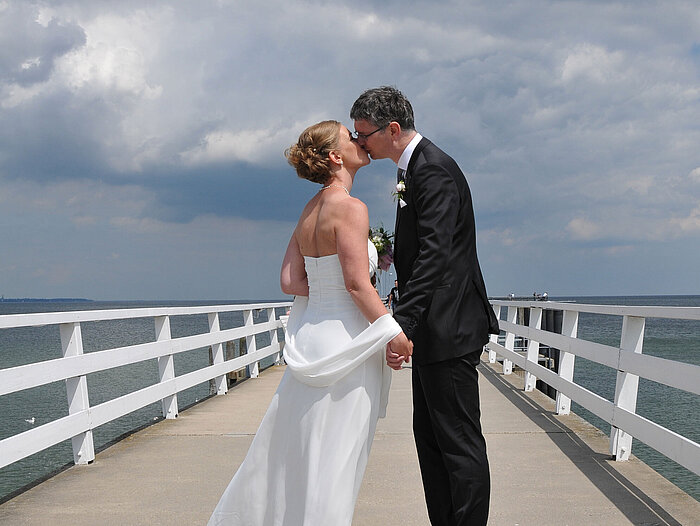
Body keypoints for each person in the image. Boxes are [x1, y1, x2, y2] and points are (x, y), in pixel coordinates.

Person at [208, 120, 412, 525]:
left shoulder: (309, 210)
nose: (359, 140)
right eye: (350, 137)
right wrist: (395, 332)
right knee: (336, 462)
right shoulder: (352, 208)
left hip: (313, 341)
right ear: (336, 156)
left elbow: (289, 281)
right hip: (347, 346)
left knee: (300, 455)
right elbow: (356, 284)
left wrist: (324, 292)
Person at [351, 86, 500, 526]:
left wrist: (403, 326)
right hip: (436, 328)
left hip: (449, 328)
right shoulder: (413, 169)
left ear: (392, 129)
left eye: (364, 135)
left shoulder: (432, 170)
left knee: (457, 443)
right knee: (430, 439)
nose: (359, 143)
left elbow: (436, 254)